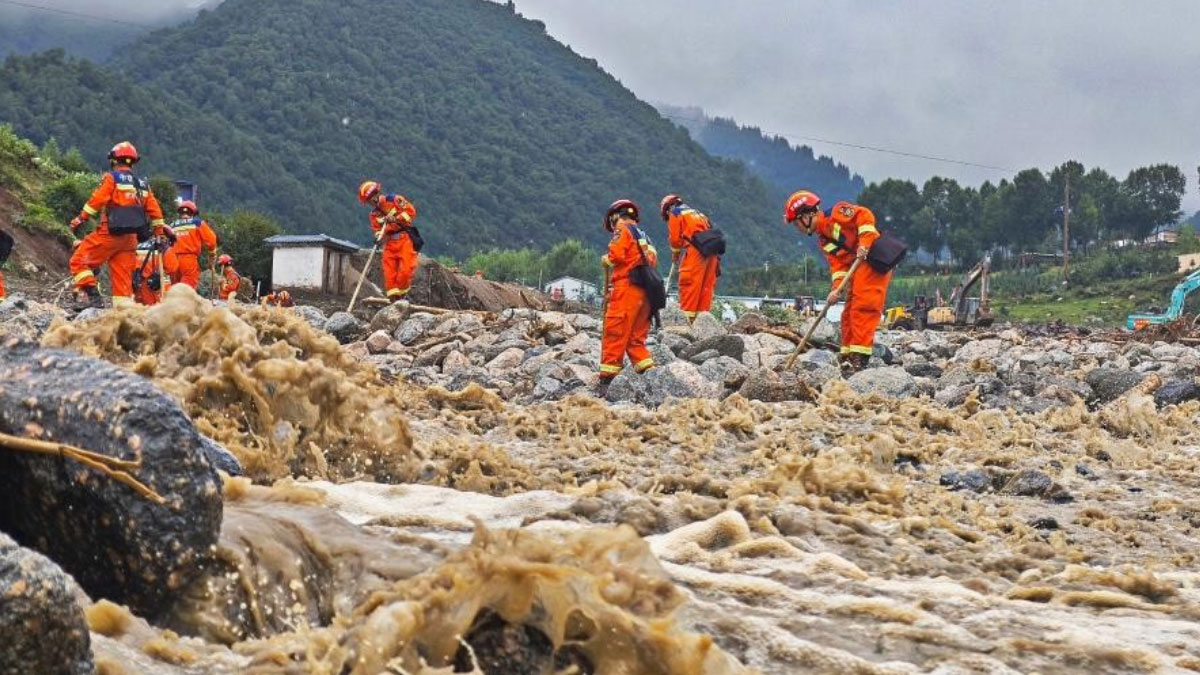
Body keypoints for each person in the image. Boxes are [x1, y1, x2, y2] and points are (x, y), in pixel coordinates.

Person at [784, 189, 892, 373]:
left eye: (797, 224)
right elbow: (838, 267)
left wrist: (865, 244)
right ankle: (849, 354)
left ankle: (860, 357)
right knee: (848, 311)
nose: (798, 229)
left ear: (807, 215)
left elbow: (864, 216)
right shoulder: (824, 241)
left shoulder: (837, 212)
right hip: (857, 267)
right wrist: (836, 290)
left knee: (863, 306)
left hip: (873, 258)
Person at [69, 142, 167, 308]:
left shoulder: (112, 178)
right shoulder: (142, 185)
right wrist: (159, 233)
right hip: (130, 240)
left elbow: (97, 201)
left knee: (78, 261)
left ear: (114, 161)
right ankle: (123, 316)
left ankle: (93, 297)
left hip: (109, 234)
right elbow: (155, 212)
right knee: (123, 286)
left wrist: (80, 218)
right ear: (133, 162)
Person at [598, 199, 658, 386]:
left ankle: (608, 379)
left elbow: (617, 255)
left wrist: (606, 259)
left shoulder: (622, 229)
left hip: (627, 289)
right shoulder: (645, 236)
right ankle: (651, 376)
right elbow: (652, 261)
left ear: (615, 217)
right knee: (635, 339)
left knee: (615, 331)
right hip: (647, 292)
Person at [661, 194, 721, 324]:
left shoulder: (676, 213)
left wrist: (676, 254)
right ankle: (703, 323)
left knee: (689, 285)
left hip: (696, 252)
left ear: (668, 208)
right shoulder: (698, 213)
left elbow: (675, 240)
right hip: (712, 252)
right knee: (705, 287)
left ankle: (687, 323)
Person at [358, 181, 420, 304]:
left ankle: (402, 296)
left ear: (377, 193)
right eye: (369, 201)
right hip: (389, 244)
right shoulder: (374, 215)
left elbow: (411, 212)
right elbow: (377, 230)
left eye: (372, 198)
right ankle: (393, 300)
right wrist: (378, 238)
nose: (372, 202)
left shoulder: (395, 200)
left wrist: (396, 219)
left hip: (404, 239)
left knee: (406, 270)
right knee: (389, 274)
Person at [170, 201, 218, 289]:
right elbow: (211, 240)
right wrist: (212, 252)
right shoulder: (197, 222)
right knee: (187, 288)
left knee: (175, 288)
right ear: (193, 212)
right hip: (189, 260)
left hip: (172, 260)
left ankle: (175, 302)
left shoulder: (172, 225)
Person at [132, 228, 179, 306]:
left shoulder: (136, 246)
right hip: (154, 289)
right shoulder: (164, 249)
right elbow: (173, 268)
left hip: (136, 287)